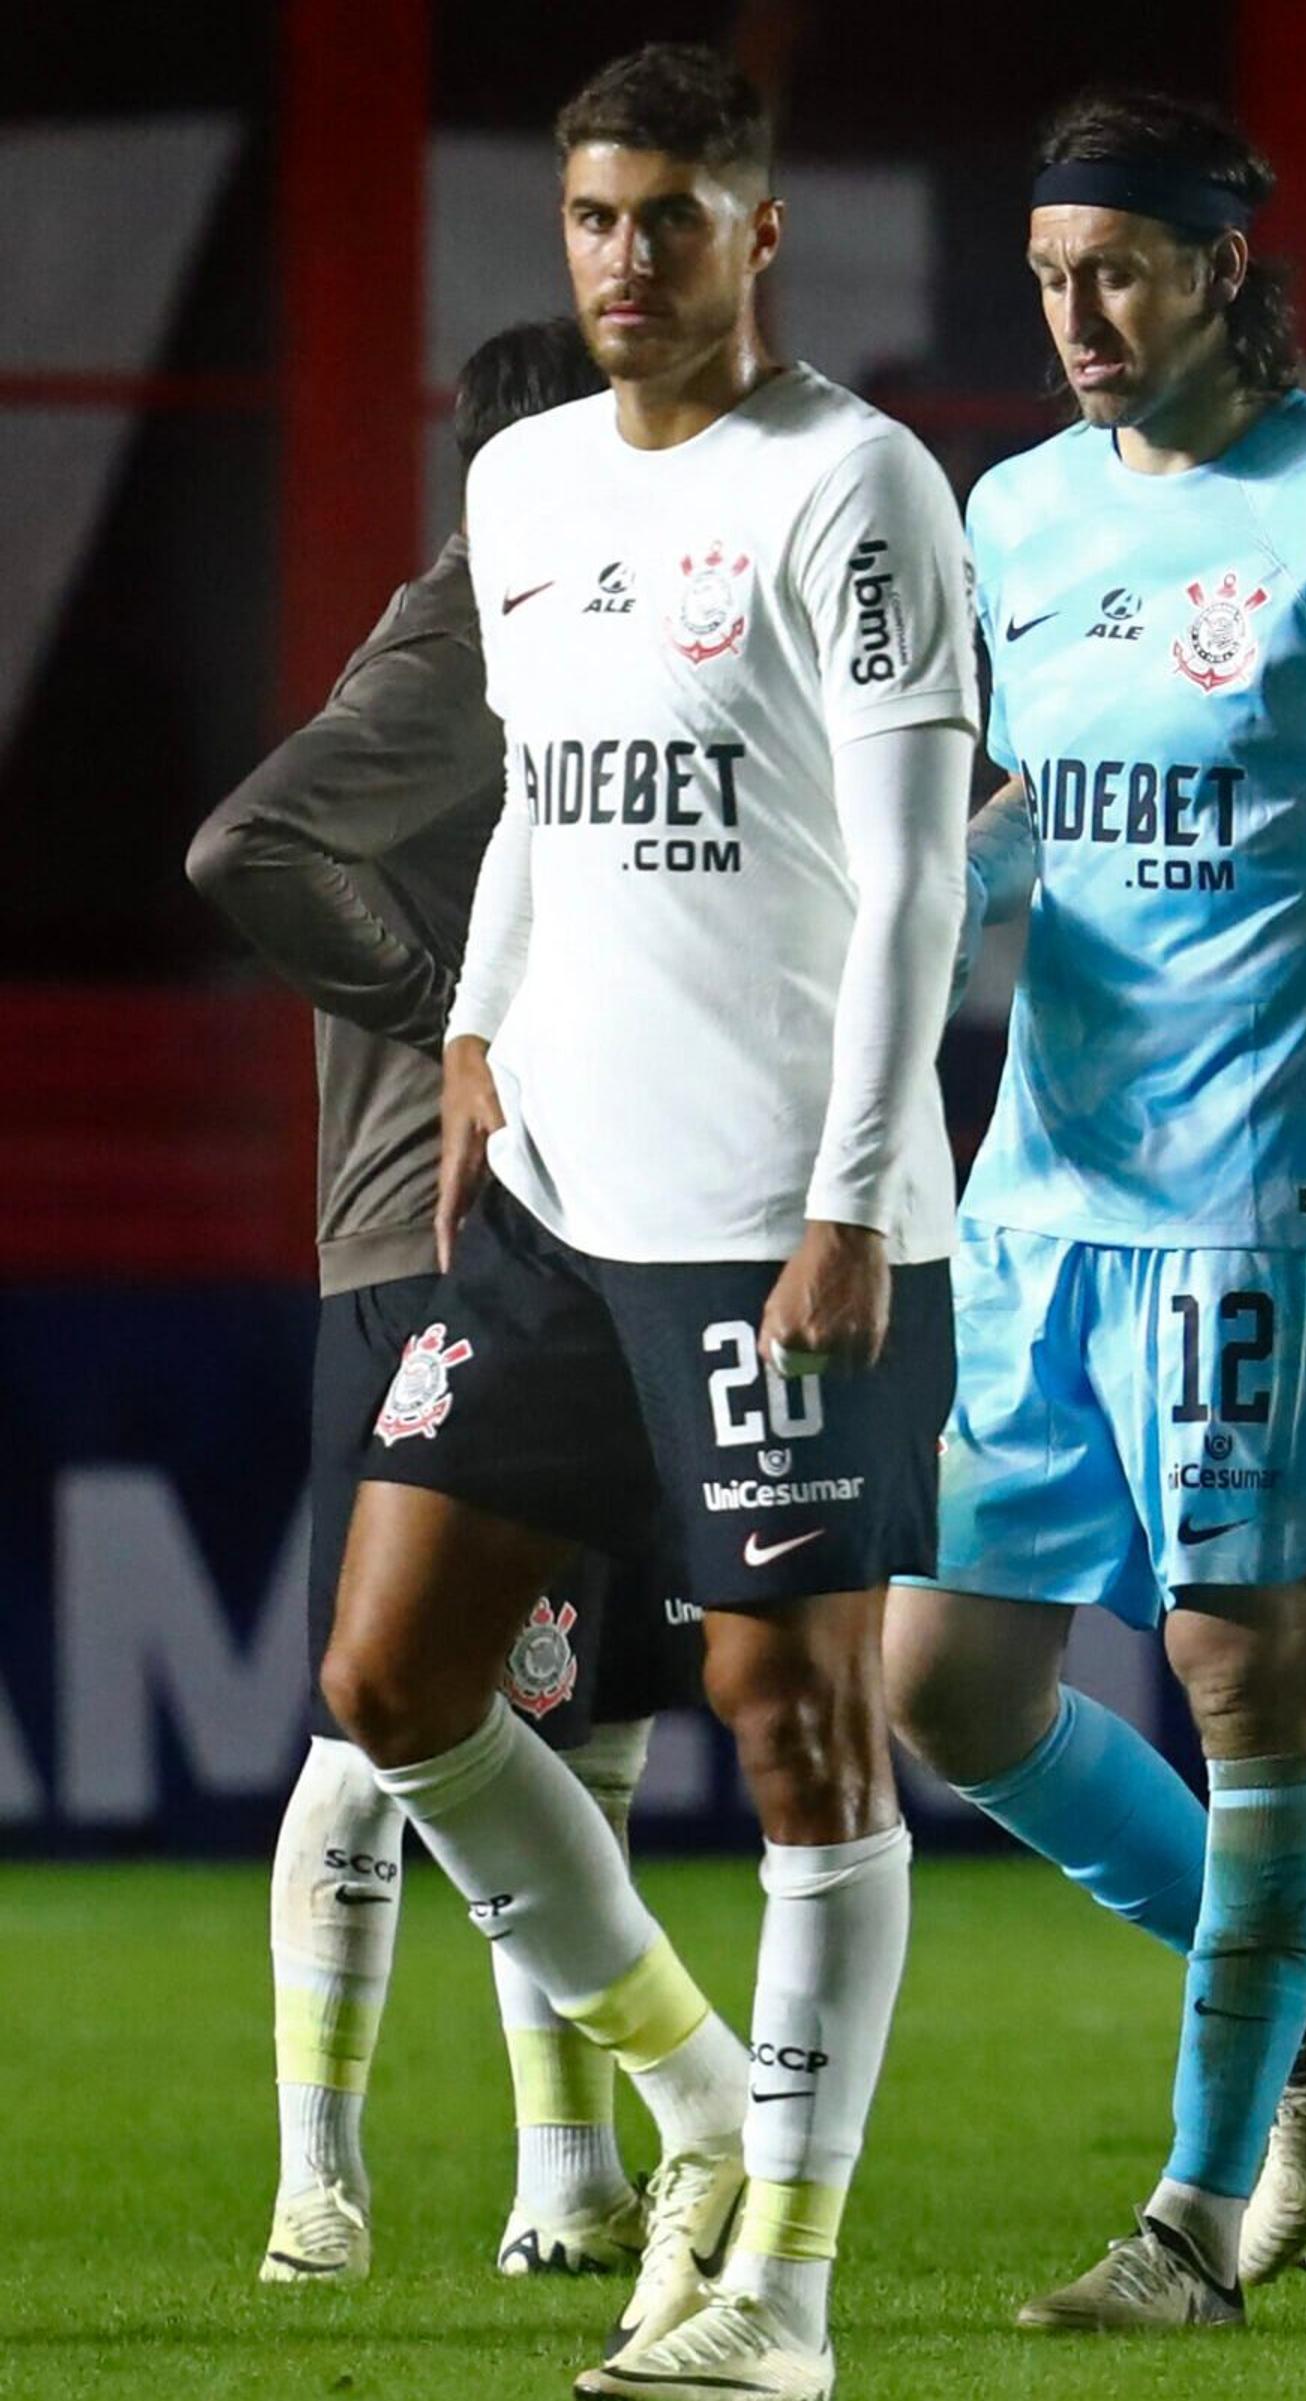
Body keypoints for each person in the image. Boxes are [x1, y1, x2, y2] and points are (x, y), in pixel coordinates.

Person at [315, 46, 976, 2400]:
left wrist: (856, 1197)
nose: (625, 262)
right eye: (596, 218)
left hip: (773, 1217)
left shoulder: (862, 488)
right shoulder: (515, 482)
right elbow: (536, 803)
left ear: (760, 232)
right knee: (392, 1680)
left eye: (672, 218)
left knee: (795, 1730)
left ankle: (779, 2302)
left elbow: (918, 877)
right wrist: (480, 1026)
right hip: (558, 1205)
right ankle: (694, 2094)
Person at [880, 91, 1306, 2332]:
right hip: (1037, 1205)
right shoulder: (1016, 510)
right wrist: (913, 895)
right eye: (1050, 273)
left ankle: (1188, 2220)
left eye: (1121, 272)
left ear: (1225, 272)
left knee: (1255, 1702)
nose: (1074, 314)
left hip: (1272, 1208)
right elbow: (1013, 793)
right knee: (946, 1689)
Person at [190, 314, 706, 2289]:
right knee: (394, 1721)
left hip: (580, 1231)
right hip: (434, 1237)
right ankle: (319, 2179)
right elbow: (253, 844)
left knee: (564, 1728)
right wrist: (462, 1021)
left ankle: (562, 2174)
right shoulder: (465, 636)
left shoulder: (585, 639)